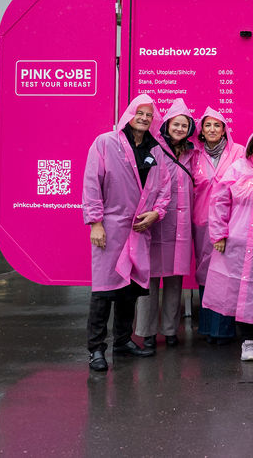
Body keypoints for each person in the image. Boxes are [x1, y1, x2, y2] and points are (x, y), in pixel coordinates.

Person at [82, 94, 170, 372]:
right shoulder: (105, 143)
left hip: (140, 229)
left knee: (130, 289)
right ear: (129, 114)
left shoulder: (155, 150)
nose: (144, 118)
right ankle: (96, 349)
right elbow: (92, 183)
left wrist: (157, 212)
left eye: (148, 114)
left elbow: (165, 188)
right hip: (111, 228)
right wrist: (95, 222)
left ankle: (122, 341)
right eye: (139, 113)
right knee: (104, 291)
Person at [204, 126, 253, 362]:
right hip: (236, 243)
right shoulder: (237, 169)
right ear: (251, 147)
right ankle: (247, 340)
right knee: (240, 292)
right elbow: (219, 201)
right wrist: (218, 234)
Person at [135, 98, 196, 350]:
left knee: (174, 279)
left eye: (184, 125)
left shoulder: (193, 153)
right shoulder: (154, 150)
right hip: (156, 222)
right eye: (176, 124)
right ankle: (146, 332)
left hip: (181, 225)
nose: (180, 129)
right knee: (149, 279)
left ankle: (171, 330)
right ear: (167, 125)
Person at [193, 107, 245, 344]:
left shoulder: (239, 152)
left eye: (217, 125)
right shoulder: (194, 154)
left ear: (224, 129)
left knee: (227, 273)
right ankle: (207, 327)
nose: (212, 129)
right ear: (201, 130)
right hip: (202, 223)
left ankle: (223, 329)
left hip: (230, 223)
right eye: (208, 125)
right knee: (205, 274)